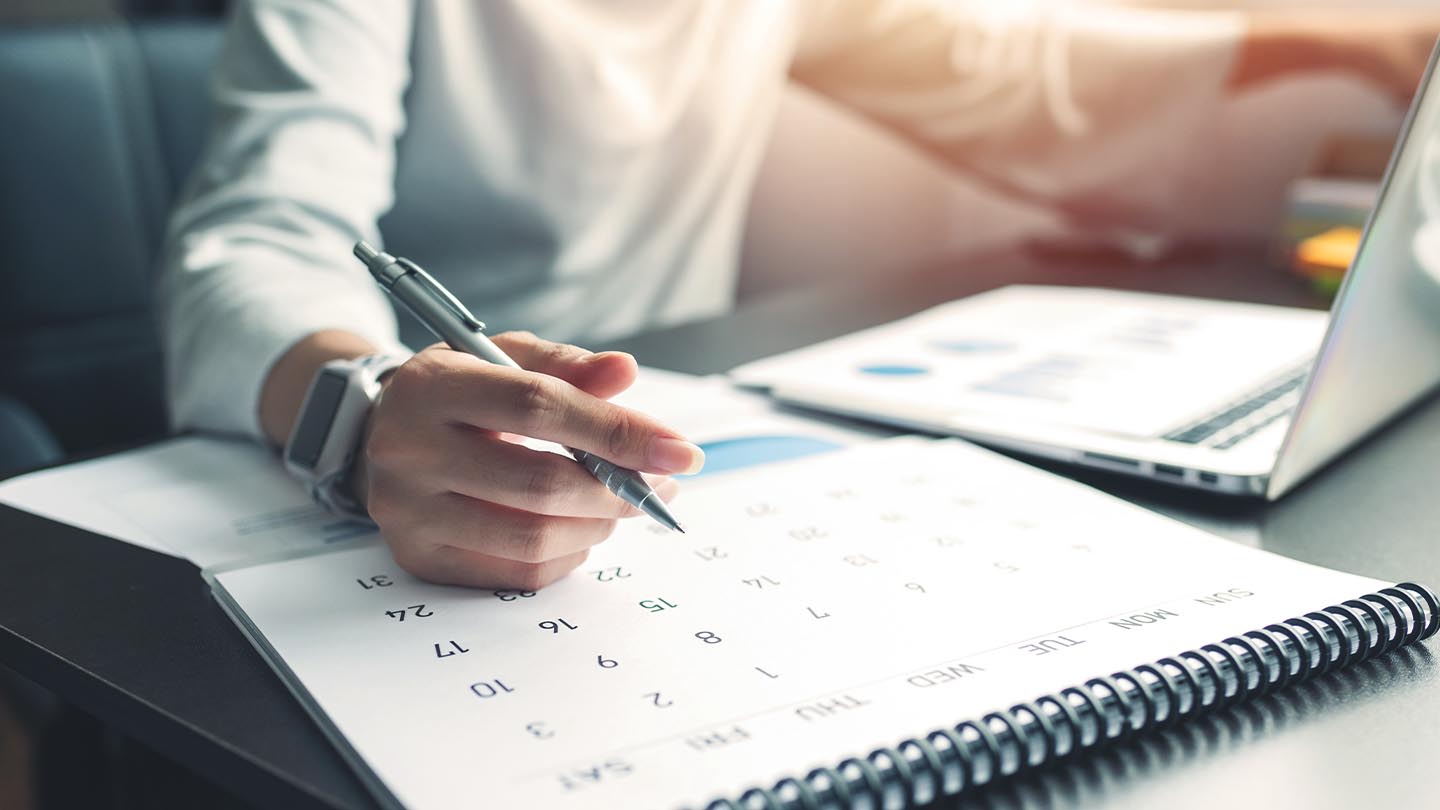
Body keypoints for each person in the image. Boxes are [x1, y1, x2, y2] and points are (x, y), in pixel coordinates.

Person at [161, 0, 1440, 591]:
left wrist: (1341, 39)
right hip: (399, 475)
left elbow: (1012, 69)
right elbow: (255, 239)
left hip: (672, 443)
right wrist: (369, 401)